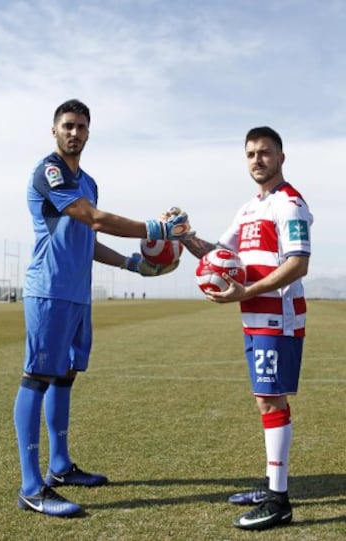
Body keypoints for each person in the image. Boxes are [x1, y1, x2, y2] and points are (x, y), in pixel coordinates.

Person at [14, 98, 190, 517]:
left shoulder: (88, 181)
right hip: (49, 290)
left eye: (81, 127)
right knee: (37, 377)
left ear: (89, 133)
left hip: (77, 293)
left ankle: (59, 466)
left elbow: (88, 239)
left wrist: (135, 264)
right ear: (54, 130)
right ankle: (30, 486)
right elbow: (92, 218)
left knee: (66, 375)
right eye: (67, 125)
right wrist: (158, 229)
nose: (74, 133)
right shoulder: (49, 171)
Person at [175, 126, 313, 531]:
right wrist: (182, 235)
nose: (257, 159)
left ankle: (279, 501)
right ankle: (273, 483)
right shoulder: (247, 210)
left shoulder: (289, 205)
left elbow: (298, 262)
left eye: (265, 152)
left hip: (277, 316)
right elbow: (217, 253)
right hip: (251, 315)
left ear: (281, 158)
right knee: (263, 401)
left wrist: (247, 290)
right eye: (251, 153)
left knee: (272, 402)